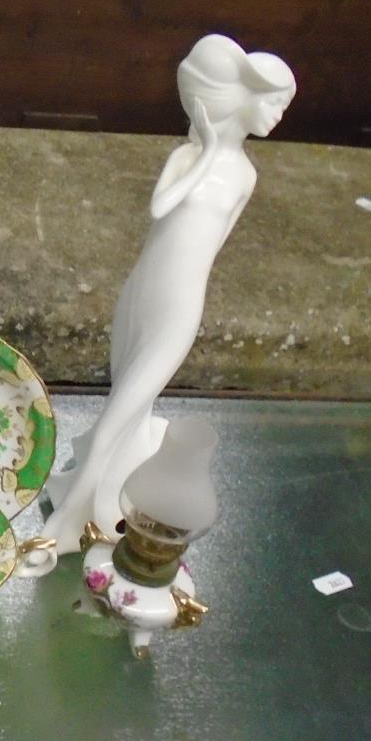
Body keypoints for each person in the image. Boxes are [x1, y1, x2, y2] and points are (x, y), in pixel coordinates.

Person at [41, 35, 296, 552]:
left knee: (129, 407)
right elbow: (161, 210)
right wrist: (205, 154)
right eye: (273, 102)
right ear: (242, 96)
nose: (277, 117)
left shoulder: (246, 175)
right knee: (122, 398)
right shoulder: (187, 156)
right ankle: (81, 504)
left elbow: (214, 247)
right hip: (144, 289)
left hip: (182, 301)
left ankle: (68, 521)